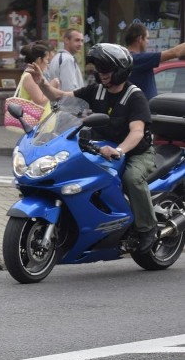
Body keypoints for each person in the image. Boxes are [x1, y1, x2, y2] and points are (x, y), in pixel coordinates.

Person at [27, 42, 156, 253]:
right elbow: (61, 98)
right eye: (100, 69)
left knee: (131, 179)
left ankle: (146, 228)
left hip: (135, 153)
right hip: (101, 149)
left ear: (121, 70)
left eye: (107, 69)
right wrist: (42, 83)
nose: (102, 74)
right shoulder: (96, 91)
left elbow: (137, 132)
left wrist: (120, 150)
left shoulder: (135, 96)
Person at [124, 22, 185, 100]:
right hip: (143, 109)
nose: (148, 42)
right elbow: (174, 53)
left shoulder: (126, 57)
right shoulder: (137, 59)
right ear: (139, 39)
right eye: (147, 38)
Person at [17, 41, 56, 121]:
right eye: (46, 59)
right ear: (39, 60)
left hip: (42, 124)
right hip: (37, 125)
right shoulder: (30, 75)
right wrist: (52, 86)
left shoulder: (34, 74)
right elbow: (40, 101)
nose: (47, 62)